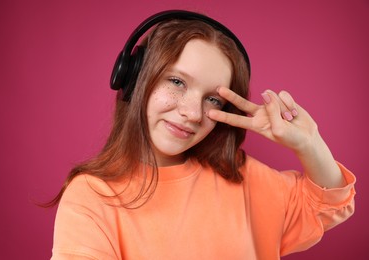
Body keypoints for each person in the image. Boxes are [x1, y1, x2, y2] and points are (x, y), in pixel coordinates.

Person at [49, 10, 356, 260]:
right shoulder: (91, 195)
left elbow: (329, 205)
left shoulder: (242, 176)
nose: (193, 113)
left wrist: (308, 142)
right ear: (135, 77)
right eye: (177, 82)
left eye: (212, 99)